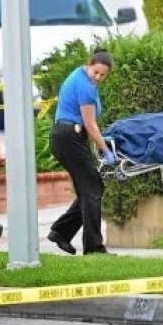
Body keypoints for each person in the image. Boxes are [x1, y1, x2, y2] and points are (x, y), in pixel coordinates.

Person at [46, 48, 117, 255]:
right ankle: (94, 248)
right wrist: (105, 150)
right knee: (93, 189)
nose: (98, 77)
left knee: (91, 189)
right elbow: (90, 123)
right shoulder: (85, 86)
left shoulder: (79, 75)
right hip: (69, 138)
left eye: (103, 75)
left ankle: (61, 232)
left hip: (65, 137)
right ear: (89, 64)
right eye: (96, 72)